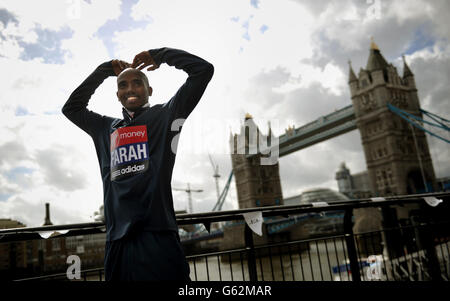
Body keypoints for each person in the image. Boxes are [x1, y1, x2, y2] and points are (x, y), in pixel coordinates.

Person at [62, 47, 214, 281]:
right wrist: (104, 71)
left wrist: (161, 55)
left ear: (149, 90)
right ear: (117, 94)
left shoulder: (167, 116)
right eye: (123, 85)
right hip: (118, 243)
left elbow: (203, 71)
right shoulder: (104, 128)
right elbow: (71, 108)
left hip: (158, 236)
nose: (130, 88)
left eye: (137, 83)